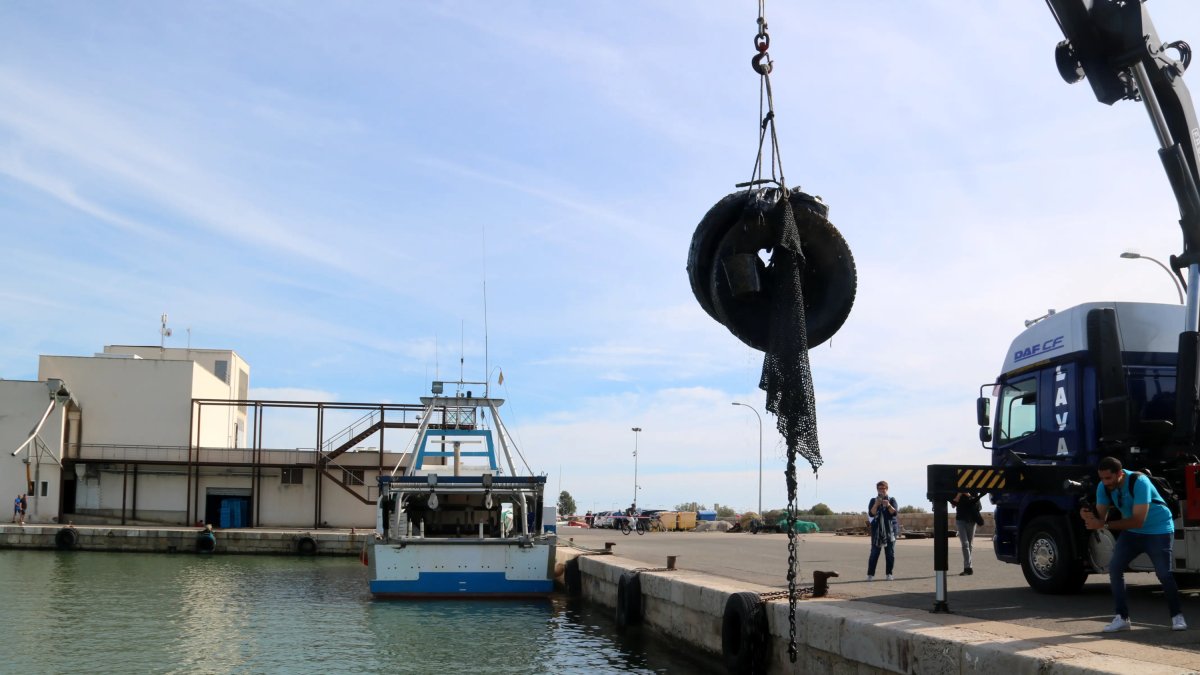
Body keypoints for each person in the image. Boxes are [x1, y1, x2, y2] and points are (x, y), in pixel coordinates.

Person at [1079, 456, 1186, 632]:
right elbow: (1100, 518)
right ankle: (1122, 618)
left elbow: (1138, 520)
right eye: (1102, 478)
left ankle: (1177, 616)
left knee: (1164, 574)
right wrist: (1086, 515)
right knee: (1114, 568)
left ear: (1120, 474)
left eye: (1109, 478)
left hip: (1158, 529)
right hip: (1133, 533)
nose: (1106, 482)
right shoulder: (1103, 487)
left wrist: (1102, 525)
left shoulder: (1139, 482)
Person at [867, 480, 898, 581]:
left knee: (890, 554)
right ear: (877, 490)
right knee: (874, 554)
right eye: (880, 489)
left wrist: (888, 505)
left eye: (883, 489)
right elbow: (871, 514)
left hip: (890, 532)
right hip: (877, 532)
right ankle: (870, 575)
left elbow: (894, 513)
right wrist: (876, 504)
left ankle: (889, 574)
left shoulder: (892, 500)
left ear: (887, 489)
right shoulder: (873, 500)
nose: (882, 491)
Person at [951, 492, 983, 575]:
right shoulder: (957, 490)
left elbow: (977, 504)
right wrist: (958, 495)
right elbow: (953, 505)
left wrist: (968, 494)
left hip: (971, 520)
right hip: (960, 520)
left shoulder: (973, 490)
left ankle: (968, 566)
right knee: (965, 544)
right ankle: (968, 568)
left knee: (969, 545)